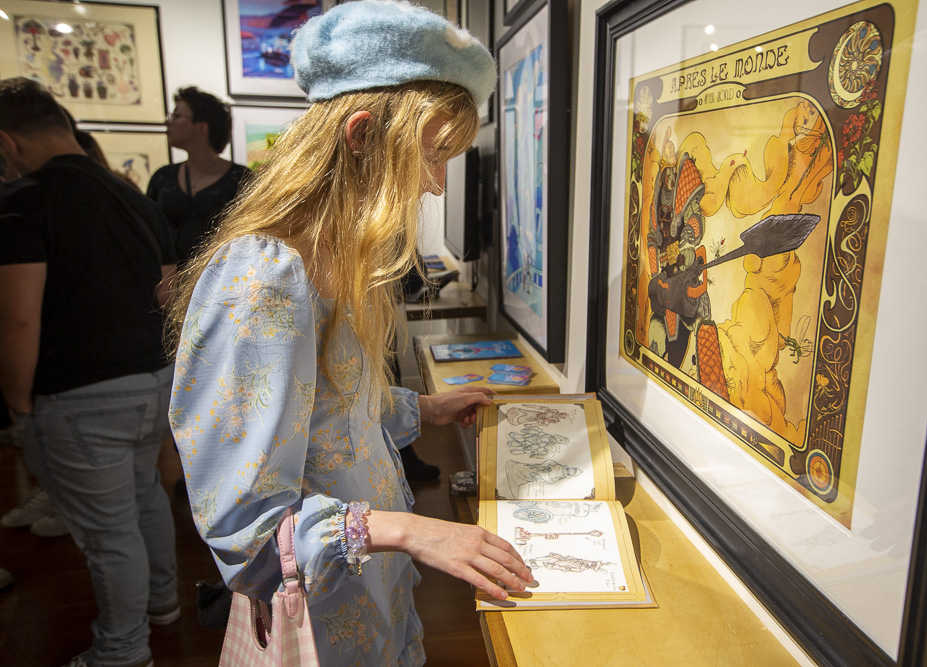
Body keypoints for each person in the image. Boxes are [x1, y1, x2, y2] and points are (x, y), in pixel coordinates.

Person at [166, 3, 533, 664]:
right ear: (361, 135)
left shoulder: (340, 257)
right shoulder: (264, 277)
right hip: (321, 623)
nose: (435, 182)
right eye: (432, 154)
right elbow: (245, 533)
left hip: (368, 596)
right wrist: (410, 529)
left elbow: (328, 414)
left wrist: (421, 407)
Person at [0, 77, 180, 667]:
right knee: (144, 497)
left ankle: (124, 651)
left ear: (8, 141)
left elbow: (18, 321)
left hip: (79, 393)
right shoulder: (135, 196)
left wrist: (18, 406)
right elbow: (169, 294)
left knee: (109, 531)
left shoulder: (26, 201)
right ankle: (162, 603)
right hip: (152, 379)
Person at [147, 86, 250, 267]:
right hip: (167, 288)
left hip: (222, 285)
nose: (168, 122)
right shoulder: (163, 178)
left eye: (177, 116)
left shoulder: (241, 179)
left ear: (201, 127)